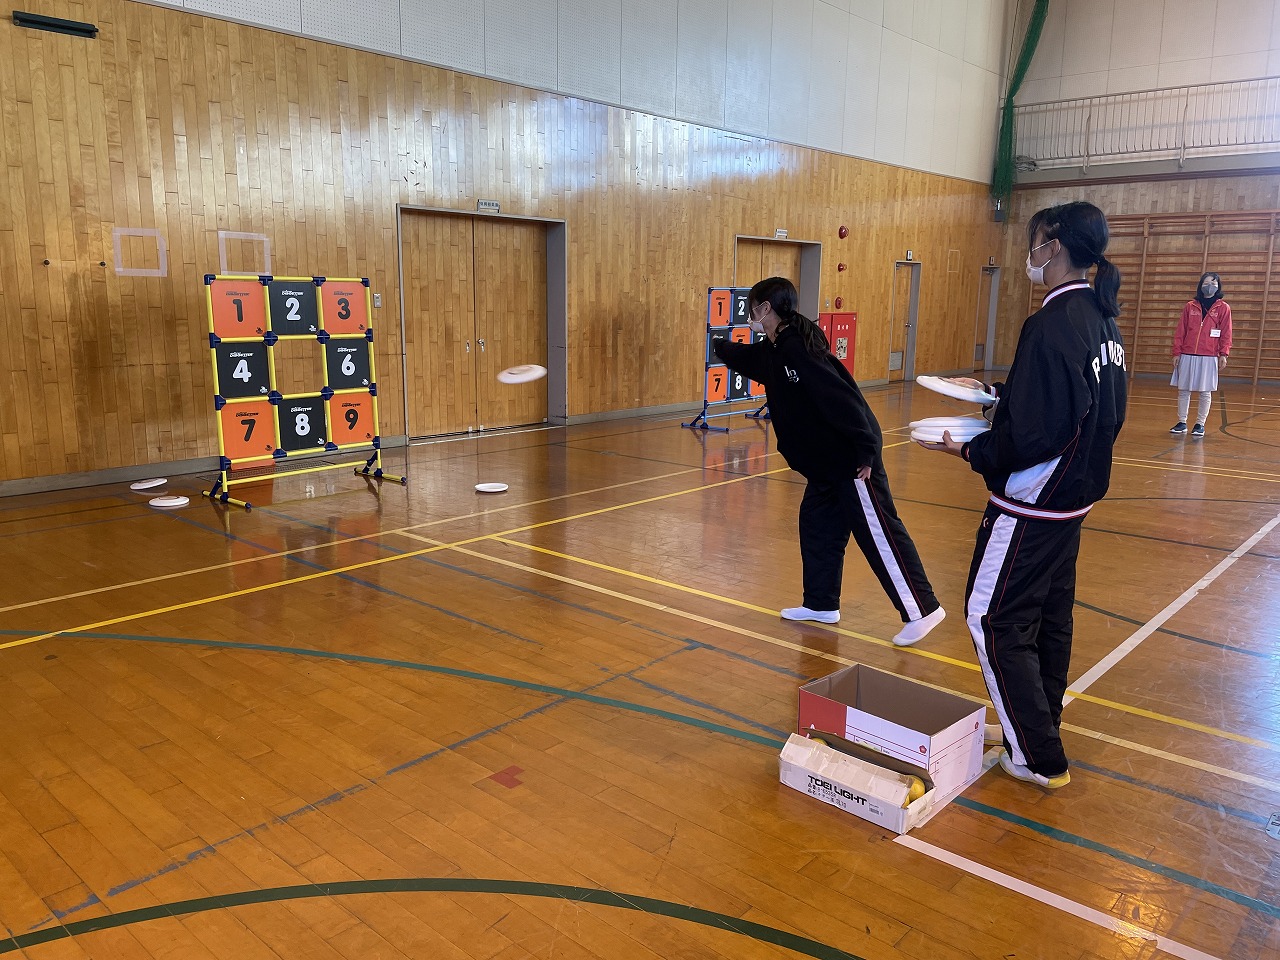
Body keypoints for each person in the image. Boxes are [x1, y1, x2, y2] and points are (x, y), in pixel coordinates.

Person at [917, 201, 1127, 789]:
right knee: (1048, 618)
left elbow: (1033, 433)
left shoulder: (1051, 323)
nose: (1028, 256)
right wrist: (990, 392)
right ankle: (1037, 726)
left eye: (1034, 243)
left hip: (1034, 502)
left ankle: (1035, 755)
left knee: (989, 619)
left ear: (1053, 245)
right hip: (1073, 499)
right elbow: (1073, 403)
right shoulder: (1099, 318)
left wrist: (967, 451)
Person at [713, 276, 945, 647]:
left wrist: (866, 448)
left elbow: (842, 397)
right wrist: (719, 346)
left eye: (753, 310)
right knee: (818, 527)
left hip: (851, 459)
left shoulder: (799, 348)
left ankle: (923, 609)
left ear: (765, 309)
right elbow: (754, 361)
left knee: (879, 533)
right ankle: (821, 604)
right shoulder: (776, 348)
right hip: (824, 468)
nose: (751, 317)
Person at [1170, 272, 1230, 439]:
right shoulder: (1190, 306)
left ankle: (1200, 424)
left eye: (1213, 282)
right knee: (1184, 390)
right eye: (1206, 282)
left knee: (1205, 392)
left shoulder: (1223, 308)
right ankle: (1182, 422)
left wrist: (1224, 353)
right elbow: (1180, 331)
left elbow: (1226, 333)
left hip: (1209, 355)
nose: (1210, 285)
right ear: (1201, 285)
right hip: (1187, 353)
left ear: (1218, 286)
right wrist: (1177, 352)